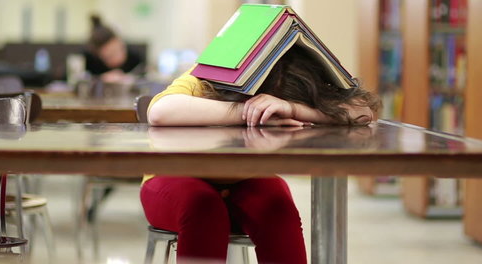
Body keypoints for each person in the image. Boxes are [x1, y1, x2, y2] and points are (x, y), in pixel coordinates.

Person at [142, 45, 381, 264]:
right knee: (202, 207)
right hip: (173, 176)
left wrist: (293, 108)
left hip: (246, 177)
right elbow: (160, 111)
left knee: (277, 209)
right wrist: (250, 111)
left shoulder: (297, 74)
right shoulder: (210, 74)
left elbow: (363, 112)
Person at [83, 14, 144, 83]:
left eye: (119, 50)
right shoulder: (90, 63)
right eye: (110, 56)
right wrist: (101, 79)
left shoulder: (135, 59)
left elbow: (144, 78)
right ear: (98, 56)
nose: (117, 57)